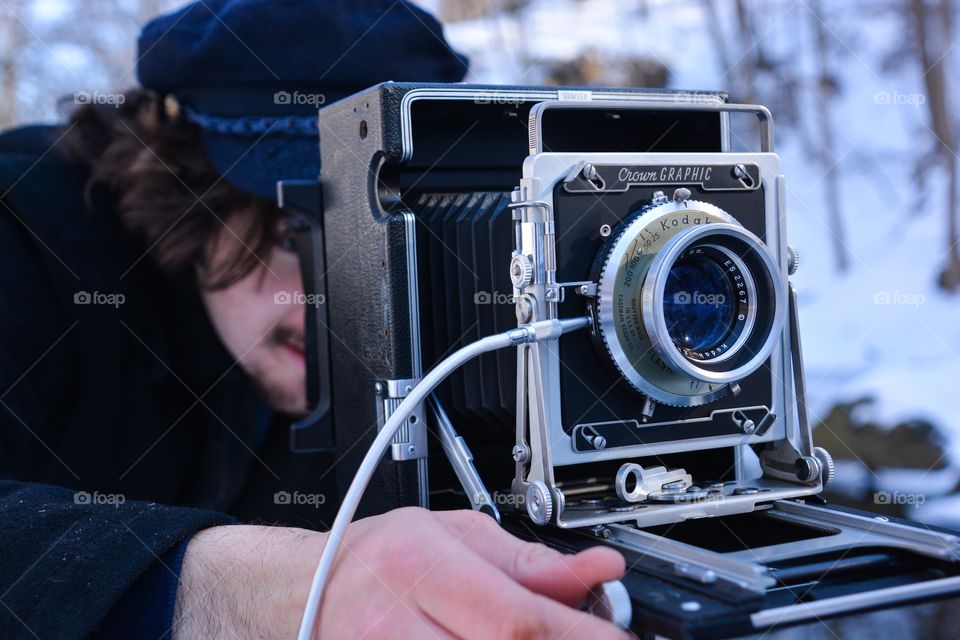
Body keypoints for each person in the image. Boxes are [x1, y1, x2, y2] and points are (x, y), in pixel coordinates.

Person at [0, 1, 629, 638]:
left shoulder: (439, 301)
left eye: (388, 239)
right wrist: (261, 591)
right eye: (298, 232)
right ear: (181, 185)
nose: (339, 296)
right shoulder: (26, 236)